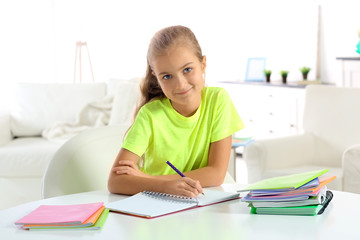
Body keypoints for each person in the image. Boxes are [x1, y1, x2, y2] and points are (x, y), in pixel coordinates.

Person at [108, 25, 244, 197]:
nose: (180, 84)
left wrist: (150, 180)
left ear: (203, 64)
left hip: (202, 203)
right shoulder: (150, 115)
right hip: (157, 207)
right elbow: (115, 181)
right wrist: (166, 187)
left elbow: (216, 174)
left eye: (187, 69)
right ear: (156, 77)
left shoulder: (218, 100)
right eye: (167, 76)